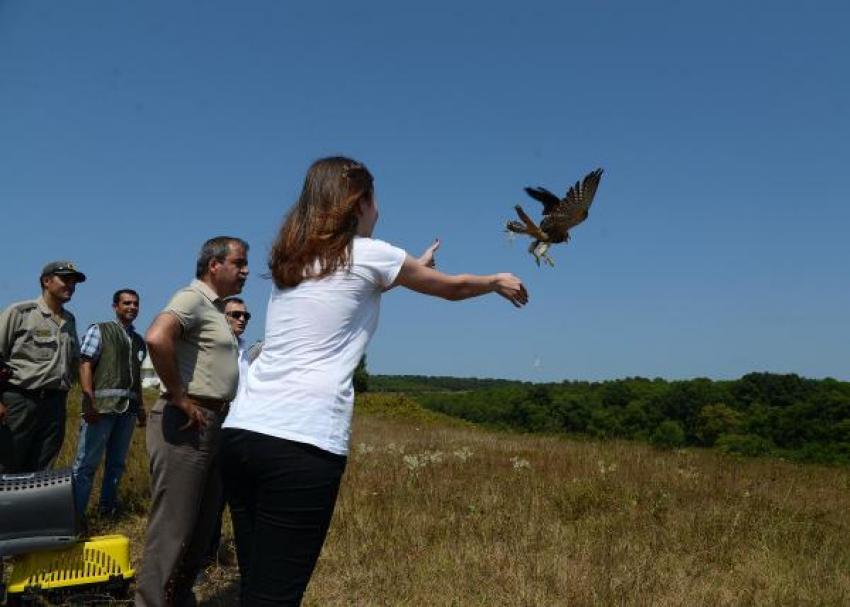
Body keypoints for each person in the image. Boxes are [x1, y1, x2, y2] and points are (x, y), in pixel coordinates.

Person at [220, 156, 528, 605]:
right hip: (300, 441)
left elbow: (350, 290)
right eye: (375, 198)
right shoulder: (373, 253)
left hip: (242, 434)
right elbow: (452, 287)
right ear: (358, 203)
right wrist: (495, 280)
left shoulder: (294, 260)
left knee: (256, 586)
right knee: (274, 598)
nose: (379, 209)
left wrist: (411, 267)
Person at [135, 236, 249, 607]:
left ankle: (179, 597)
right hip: (186, 422)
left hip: (212, 422)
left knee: (201, 527)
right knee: (173, 527)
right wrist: (180, 396)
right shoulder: (191, 298)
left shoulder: (215, 309)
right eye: (239, 263)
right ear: (214, 265)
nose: (245, 270)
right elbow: (156, 337)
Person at [0, 261, 85, 474]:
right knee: (8, 463)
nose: (71, 285)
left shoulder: (70, 320)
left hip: (55, 404)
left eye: (74, 281)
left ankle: (28, 509)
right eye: (65, 279)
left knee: (42, 469)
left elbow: (75, 363)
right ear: (46, 281)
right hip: (20, 401)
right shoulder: (20, 312)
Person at [71, 289, 147, 518]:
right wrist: (89, 401)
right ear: (115, 306)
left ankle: (108, 510)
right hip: (101, 409)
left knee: (116, 465)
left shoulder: (138, 340)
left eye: (135, 303)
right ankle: (75, 516)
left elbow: (137, 378)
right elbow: (85, 364)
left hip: (127, 410)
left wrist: (141, 408)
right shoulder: (100, 330)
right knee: (86, 465)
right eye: (126, 303)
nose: (132, 307)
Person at [200, 295, 253, 569]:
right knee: (211, 493)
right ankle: (205, 553)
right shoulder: (212, 347)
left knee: (237, 492)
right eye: (235, 314)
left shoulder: (250, 352)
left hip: (242, 427)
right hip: (215, 423)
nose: (242, 319)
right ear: (222, 317)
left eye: (246, 316)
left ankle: (234, 555)